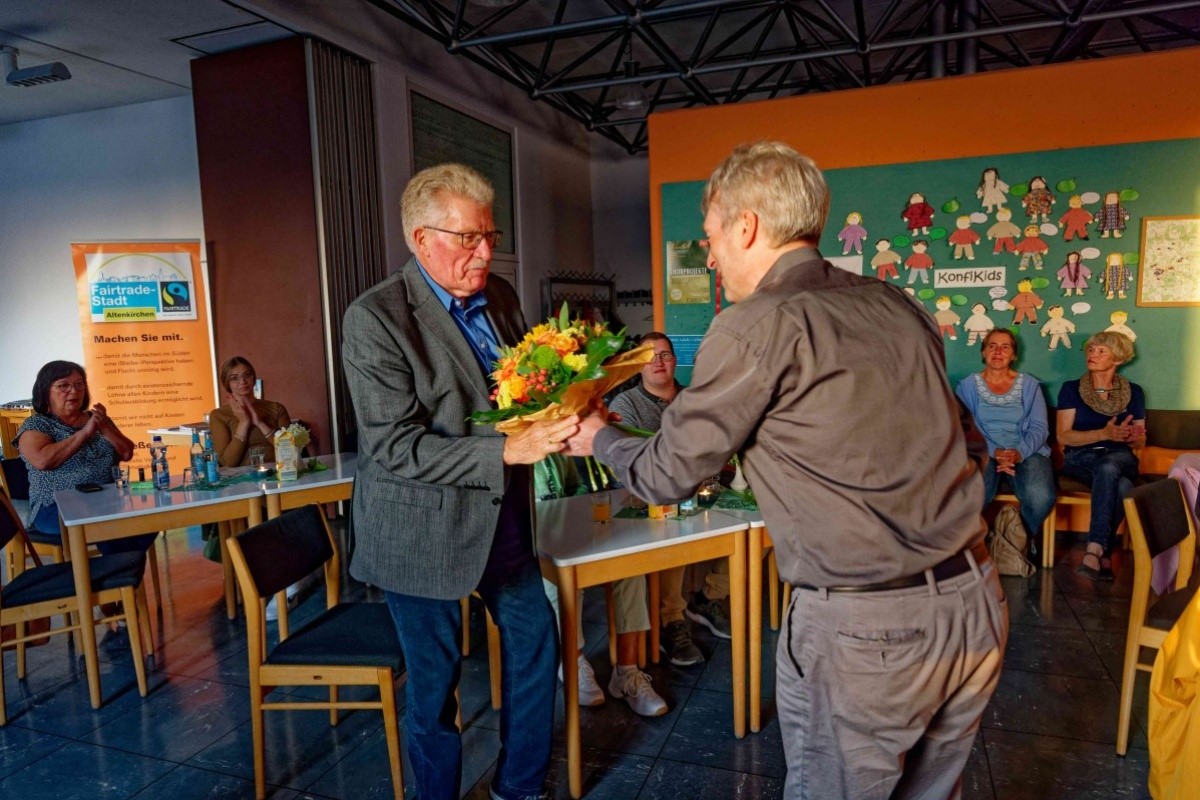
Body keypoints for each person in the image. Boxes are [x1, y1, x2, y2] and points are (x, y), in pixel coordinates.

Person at [564, 142, 1006, 799]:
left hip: (870, 631)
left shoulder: (751, 326)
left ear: (745, 227)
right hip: (976, 606)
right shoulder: (895, 303)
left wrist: (596, 436)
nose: (709, 255)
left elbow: (664, 476)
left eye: (710, 235)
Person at [342, 162, 576, 800]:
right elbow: (394, 447)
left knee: (536, 646)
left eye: (490, 236)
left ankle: (519, 787)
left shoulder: (498, 295)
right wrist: (506, 451)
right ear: (420, 239)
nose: (484, 251)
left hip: (499, 519)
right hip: (421, 528)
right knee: (435, 686)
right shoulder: (377, 319)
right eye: (467, 238)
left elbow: (524, 387)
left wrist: (574, 397)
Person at [608, 332, 731, 668]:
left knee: (762, 522)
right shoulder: (624, 406)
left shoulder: (696, 398)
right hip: (651, 498)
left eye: (664, 355)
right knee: (673, 527)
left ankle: (708, 598)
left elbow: (718, 444)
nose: (658, 362)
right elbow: (635, 461)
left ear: (675, 360)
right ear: (638, 365)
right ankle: (672, 620)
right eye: (649, 356)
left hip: (708, 490)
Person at [534, 454, 666, 716]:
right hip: (529, 540)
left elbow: (576, 485)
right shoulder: (503, 441)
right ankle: (573, 659)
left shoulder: (552, 435)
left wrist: (574, 508)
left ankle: (627, 674)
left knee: (629, 565)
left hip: (567, 527)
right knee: (562, 578)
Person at [15, 360, 153, 555]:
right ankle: (115, 574)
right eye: (64, 386)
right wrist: (84, 434)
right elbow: (43, 461)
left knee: (151, 513)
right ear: (45, 391)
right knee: (110, 525)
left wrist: (104, 427)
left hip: (108, 498)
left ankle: (118, 571)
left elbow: (126, 453)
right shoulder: (37, 424)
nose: (74, 391)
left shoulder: (96, 418)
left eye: (79, 384)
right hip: (55, 507)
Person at [956, 329, 1056, 557]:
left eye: (1005, 347)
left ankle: (1018, 540)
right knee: (973, 493)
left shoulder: (1030, 385)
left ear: (1013, 355)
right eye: (992, 346)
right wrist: (995, 451)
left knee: (1041, 495)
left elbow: (1040, 428)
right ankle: (976, 545)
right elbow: (966, 428)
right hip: (983, 451)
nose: (998, 351)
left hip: (1027, 451)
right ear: (983, 352)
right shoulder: (967, 386)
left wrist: (1018, 453)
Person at [1056, 331, 1145, 580]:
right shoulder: (1071, 389)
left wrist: (1132, 436)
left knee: (1109, 465)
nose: (1092, 355)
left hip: (1121, 457)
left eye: (1101, 351)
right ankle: (1103, 552)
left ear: (1117, 359)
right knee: (1122, 485)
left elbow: (1140, 440)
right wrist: (1104, 433)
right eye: (1090, 350)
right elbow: (1063, 437)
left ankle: (1094, 547)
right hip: (1080, 458)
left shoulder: (1134, 392)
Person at [208, 356, 291, 467]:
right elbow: (227, 464)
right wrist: (243, 423)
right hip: (242, 479)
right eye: (234, 378)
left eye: (247, 375)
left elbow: (290, 451)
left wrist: (260, 423)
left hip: (282, 471)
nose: (242, 381)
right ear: (227, 383)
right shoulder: (219, 415)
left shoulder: (276, 408)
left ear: (254, 378)